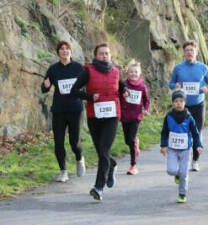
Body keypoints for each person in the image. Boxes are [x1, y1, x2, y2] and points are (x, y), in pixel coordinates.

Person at [71, 43, 128, 201]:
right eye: (101, 53)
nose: (105, 56)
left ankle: (98, 187)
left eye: (107, 53)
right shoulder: (87, 71)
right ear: (96, 56)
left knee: (103, 150)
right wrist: (90, 97)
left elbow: (122, 87)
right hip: (94, 116)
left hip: (112, 115)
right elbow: (74, 90)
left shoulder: (116, 71)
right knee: (101, 152)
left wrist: (125, 92)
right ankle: (112, 165)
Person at [41, 40, 85, 182]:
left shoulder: (78, 68)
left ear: (70, 52)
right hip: (59, 110)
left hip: (75, 109)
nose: (65, 51)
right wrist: (46, 85)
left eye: (67, 49)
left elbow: (85, 87)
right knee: (58, 142)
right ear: (58, 52)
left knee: (74, 142)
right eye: (62, 49)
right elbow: (44, 88)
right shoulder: (53, 69)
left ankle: (79, 159)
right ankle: (63, 171)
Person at [169, 40, 208, 172]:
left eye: (192, 50)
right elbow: (171, 83)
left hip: (198, 104)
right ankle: (181, 159)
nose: (189, 52)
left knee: (197, 133)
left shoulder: (203, 68)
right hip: (182, 106)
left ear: (196, 52)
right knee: (181, 133)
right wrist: (175, 86)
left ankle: (195, 160)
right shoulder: (178, 68)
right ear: (184, 53)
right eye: (187, 50)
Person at [160, 89, 203, 203]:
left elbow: (195, 133)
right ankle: (177, 174)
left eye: (181, 101)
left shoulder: (189, 117)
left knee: (184, 173)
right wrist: (163, 145)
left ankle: (182, 194)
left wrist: (198, 145)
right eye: (176, 101)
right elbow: (164, 132)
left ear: (185, 103)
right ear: (173, 103)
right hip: (172, 149)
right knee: (171, 170)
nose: (178, 103)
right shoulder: (169, 116)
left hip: (185, 149)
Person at [120, 61, 150, 175]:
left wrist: (146, 109)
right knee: (127, 140)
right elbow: (118, 96)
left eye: (136, 72)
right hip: (124, 116)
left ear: (140, 73)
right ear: (127, 73)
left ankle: (133, 166)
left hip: (136, 116)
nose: (133, 74)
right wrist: (122, 95)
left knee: (131, 140)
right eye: (131, 72)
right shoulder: (124, 85)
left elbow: (146, 100)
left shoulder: (142, 87)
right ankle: (135, 143)